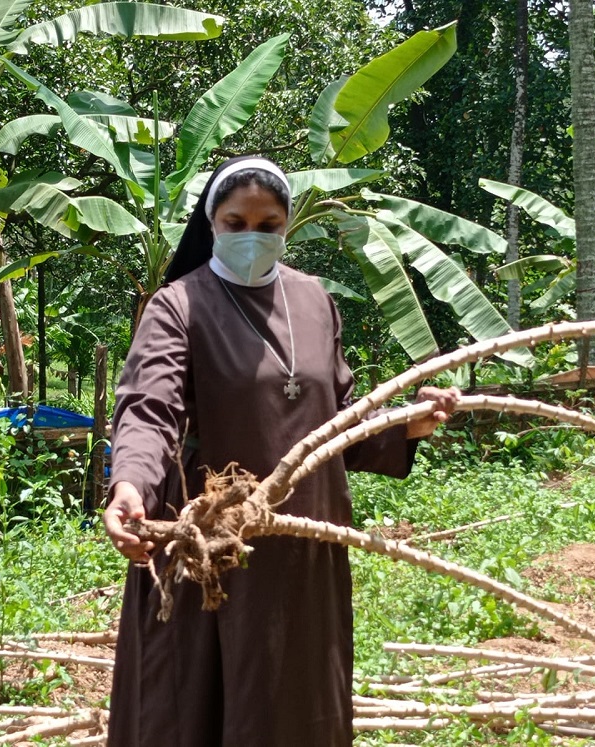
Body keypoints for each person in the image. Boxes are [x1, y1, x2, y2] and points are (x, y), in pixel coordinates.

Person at [103, 156, 460, 746]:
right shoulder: (179, 305)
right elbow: (148, 408)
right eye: (235, 222)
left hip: (301, 544)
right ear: (211, 224)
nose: (252, 236)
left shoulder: (314, 299)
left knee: (297, 699)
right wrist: (130, 485)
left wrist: (408, 422)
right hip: (209, 545)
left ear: (287, 225)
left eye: (269, 225)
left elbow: (339, 416)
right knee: (195, 703)